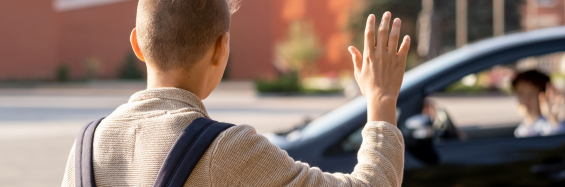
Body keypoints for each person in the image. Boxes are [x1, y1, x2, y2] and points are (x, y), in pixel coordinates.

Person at [60, 0, 411, 186]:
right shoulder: (226, 150)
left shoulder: (87, 145)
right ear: (221, 48)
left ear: (137, 44)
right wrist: (381, 99)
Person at [511, 70, 565, 138]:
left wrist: (552, 117)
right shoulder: (521, 129)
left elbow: (561, 139)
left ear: (544, 97)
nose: (525, 99)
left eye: (531, 94)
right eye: (520, 94)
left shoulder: (548, 126)